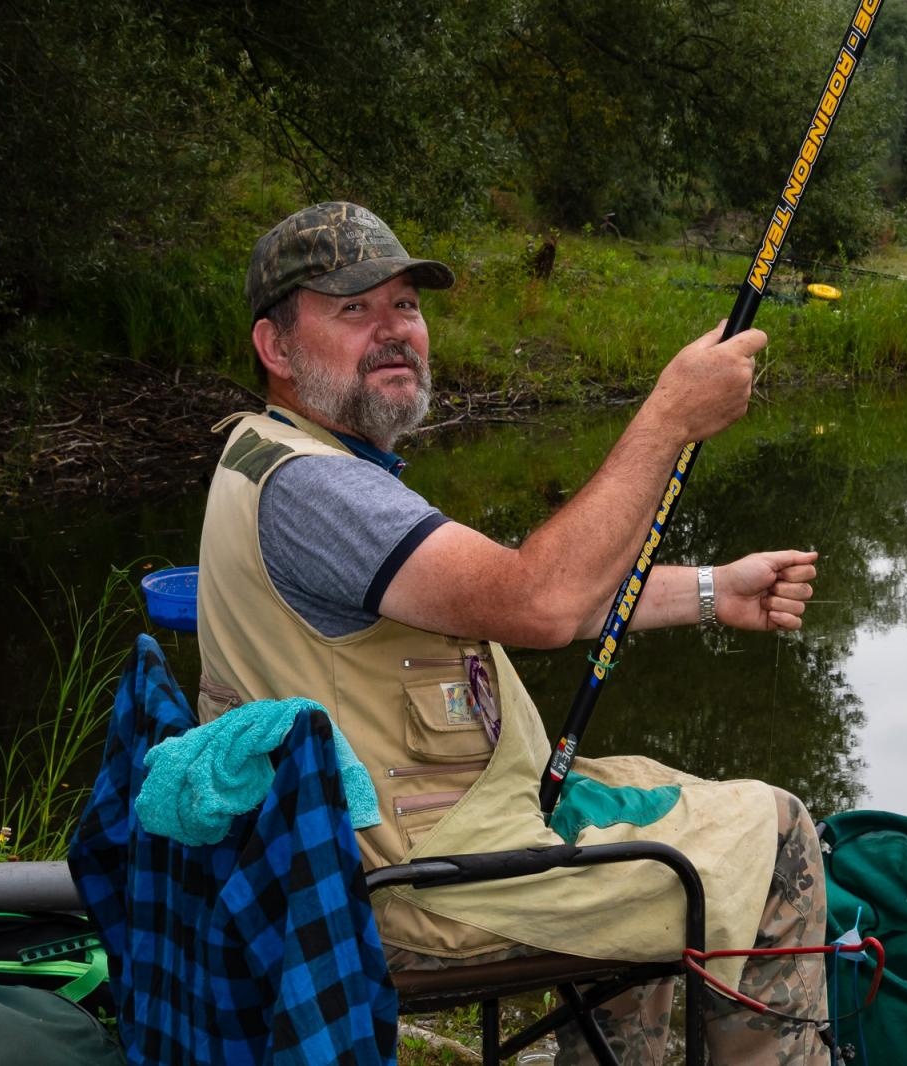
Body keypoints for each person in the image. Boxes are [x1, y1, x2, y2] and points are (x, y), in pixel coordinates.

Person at [196, 202, 831, 1064]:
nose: (394, 330)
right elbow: (542, 602)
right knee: (777, 832)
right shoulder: (322, 491)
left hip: (378, 852)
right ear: (275, 347)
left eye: (405, 306)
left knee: (652, 803)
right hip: (410, 890)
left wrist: (717, 590)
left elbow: (524, 593)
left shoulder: (285, 456)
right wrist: (668, 417)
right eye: (354, 309)